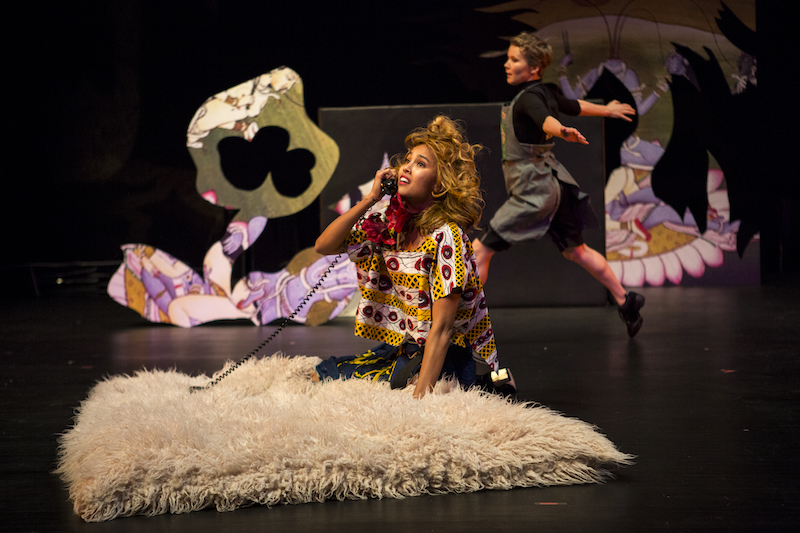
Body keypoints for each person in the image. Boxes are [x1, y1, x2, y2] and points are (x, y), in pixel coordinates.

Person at [313, 116, 511, 398]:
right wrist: (371, 199)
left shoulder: (446, 238)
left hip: (441, 357)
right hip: (407, 348)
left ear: (439, 184)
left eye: (420, 164)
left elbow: (442, 331)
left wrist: (419, 404)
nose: (406, 166)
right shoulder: (388, 223)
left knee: (387, 391)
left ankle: (486, 384)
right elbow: (324, 246)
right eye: (407, 160)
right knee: (328, 373)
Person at [471, 32, 646, 338]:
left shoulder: (529, 98)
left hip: (534, 192)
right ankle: (625, 300)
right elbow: (572, 105)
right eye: (508, 58)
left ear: (534, 68)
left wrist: (562, 131)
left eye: (514, 60)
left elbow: (546, 120)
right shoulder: (545, 91)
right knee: (576, 251)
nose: (507, 64)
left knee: (481, 251)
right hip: (553, 183)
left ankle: (457, 321)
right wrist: (607, 110)